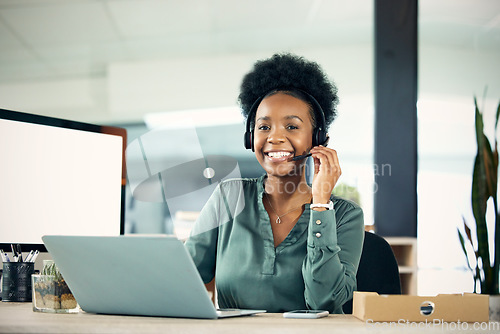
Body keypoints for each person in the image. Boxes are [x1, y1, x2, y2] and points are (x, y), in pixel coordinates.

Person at [185, 53, 364, 314]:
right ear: (250, 137)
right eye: (264, 127)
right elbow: (185, 277)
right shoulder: (229, 197)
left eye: (291, 127)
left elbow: (324, 300)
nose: (275, 138)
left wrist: (321, 204)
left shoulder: (346, 216)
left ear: (318, 138)